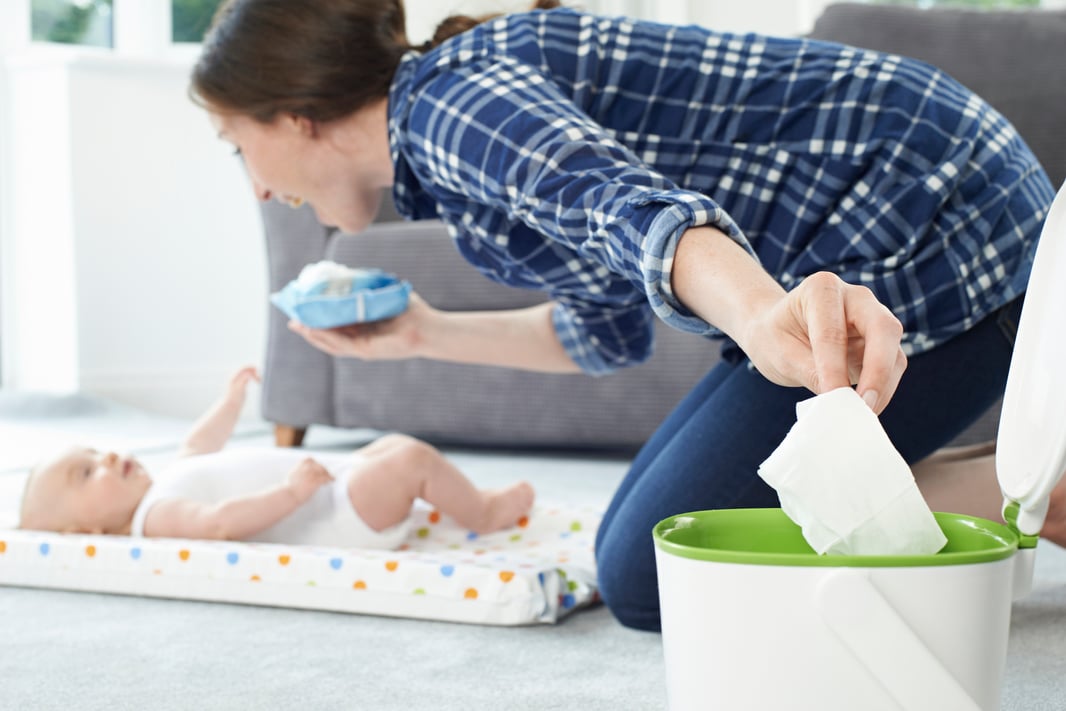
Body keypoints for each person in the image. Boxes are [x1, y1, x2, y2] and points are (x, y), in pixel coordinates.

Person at [189, 1, 1059, 630]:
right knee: (638, 535)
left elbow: (620, 204)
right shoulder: (450, 137)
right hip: (912, 213)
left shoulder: (444, 108)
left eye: (237, 148)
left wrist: (759, 316)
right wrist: (422, 332)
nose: (258, 185)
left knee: (650, 574)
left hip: (938, 229)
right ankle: (1023, 466)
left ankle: (1037, 488)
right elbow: (606, 331)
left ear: (296, 117)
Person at [18, 366, 535, 546]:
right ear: (87, 532)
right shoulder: (155, 518)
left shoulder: (166, 480)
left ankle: (456, 499)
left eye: (94, 450)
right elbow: (221, 522)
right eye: (86, 472)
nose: (106, 456)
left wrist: (229, 403)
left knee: (392, 446)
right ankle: (483, 513)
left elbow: (199, 444)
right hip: (335, 514)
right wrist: (290, 493)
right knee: (411, 462)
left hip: (332, 485)